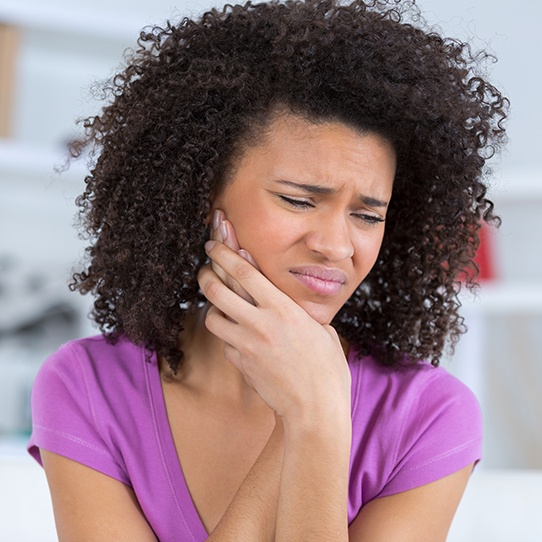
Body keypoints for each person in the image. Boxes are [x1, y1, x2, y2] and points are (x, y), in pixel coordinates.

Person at [27, 0, 508, 540]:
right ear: (201, 196)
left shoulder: (428, 416)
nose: (335, 246)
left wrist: (317, 420)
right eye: (299, 201)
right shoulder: (89, 388)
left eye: (368, 214)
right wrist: (306, 414)